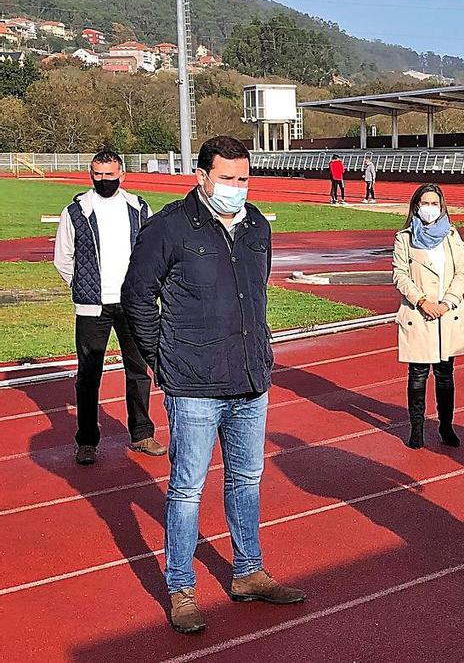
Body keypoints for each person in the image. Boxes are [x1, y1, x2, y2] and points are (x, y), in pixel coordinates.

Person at [122, 136, 305, 635]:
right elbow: (137, 298)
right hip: (194, 386)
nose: (237, 188)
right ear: (201, 176)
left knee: (246, 481)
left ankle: (248, 571)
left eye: (244, 178)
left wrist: (261, 356)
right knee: (187, 488)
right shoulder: (168, 229)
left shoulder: (257, 227)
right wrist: (163, 358)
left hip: (250, 381)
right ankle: (180, 586)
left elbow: (257, 293)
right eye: (227, 178)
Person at [52, 149, 162, 465]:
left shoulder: (139, 208)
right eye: (97, 175)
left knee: (138, 370)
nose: (103, 180)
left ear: (121, 175)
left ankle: (142, 434)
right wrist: (84, 287)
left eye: (109, 175)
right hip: (92, 308)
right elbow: (63, 259)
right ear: (91, 175)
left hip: (132, 304)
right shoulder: (75, 211)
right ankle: (87, 441)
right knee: (88, 375)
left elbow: (151, 252)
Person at [392, 183, 464, 449]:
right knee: (417, 374)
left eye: (434, 204)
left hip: (447, 314)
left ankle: (446, 426)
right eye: (424, 203)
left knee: (445, 373)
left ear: (442, 207)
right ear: (416, 206)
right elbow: (399, 275)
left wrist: (447, 302)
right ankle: (416, 428)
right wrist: (422, 301)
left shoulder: (451, 235)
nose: (429, 208)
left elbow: (462, 272)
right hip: (419, 313)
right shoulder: (404, 238)